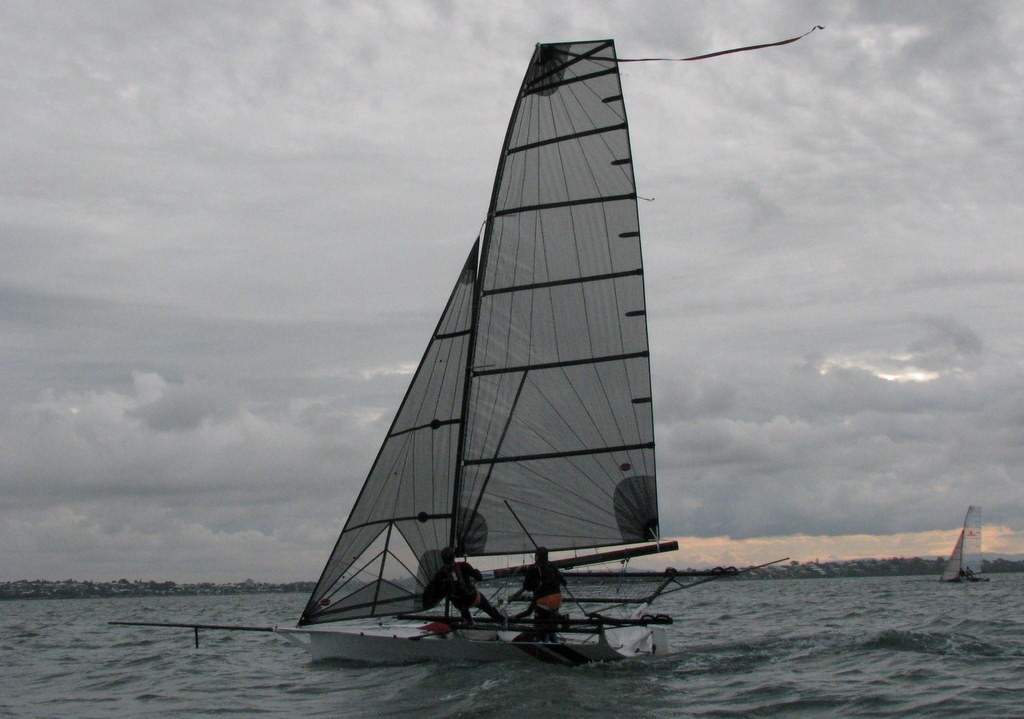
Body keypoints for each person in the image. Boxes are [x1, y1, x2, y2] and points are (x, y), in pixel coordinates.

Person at [426, 546, 504, 626]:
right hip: (472, 597)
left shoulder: (440, 574)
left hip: (458, 603)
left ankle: (468, 621)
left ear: (443, 560)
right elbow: (479, 578)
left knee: (458, 602)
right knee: (488, 608)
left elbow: (433, 589)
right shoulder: (464, 565)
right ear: (454, 557)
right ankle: (502, 621)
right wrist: (476, 572)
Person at [513, 546, 566, 642]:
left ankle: (543, 643)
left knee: (539, 623)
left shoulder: (533, 568)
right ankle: (554, 641)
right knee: (550, 622)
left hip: (544, 600)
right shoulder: (552, 566)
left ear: (536, 556)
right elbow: (564, 582)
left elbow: (526, 586)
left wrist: (515, 617)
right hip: (557, 599)